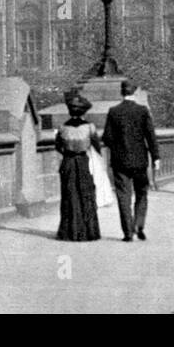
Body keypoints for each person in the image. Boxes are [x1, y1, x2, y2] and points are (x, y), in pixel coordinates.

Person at [100, 80, 160, 242]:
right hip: (140, 161)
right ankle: (138, 225)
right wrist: (156, 157)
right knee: (141, 193)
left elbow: (107, 137)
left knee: (123, 196)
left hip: (120, 161)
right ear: (135, 93)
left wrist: (118, 148)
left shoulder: (114, 111)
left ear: (122, 93)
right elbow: (150, 136)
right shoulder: (142, 110)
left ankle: (127, 232)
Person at [53, 91, 102, 242]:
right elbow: (97, 146)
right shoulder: (89, 128)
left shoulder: (62, 128)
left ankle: (69, 232)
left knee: (69, 196)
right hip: (82, 162)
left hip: (68, 162)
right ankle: (87, 231)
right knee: (85, 195)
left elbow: (58, 147)